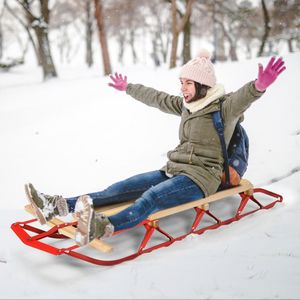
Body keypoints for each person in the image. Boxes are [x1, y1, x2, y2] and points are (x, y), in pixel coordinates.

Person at [25, 49, 286, 246]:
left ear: (202, 85)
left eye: (188, 83)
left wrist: (259, 85)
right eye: (181, 82)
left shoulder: (224, 108)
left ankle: (103, 226)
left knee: (150, 199)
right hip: (174, 169)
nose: (182, 88)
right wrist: (128, 87)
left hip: (201, 178)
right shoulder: (187, 106)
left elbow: (244, 98)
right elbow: (157, 98)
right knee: (117, 189)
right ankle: (57, 205)